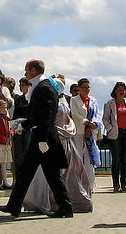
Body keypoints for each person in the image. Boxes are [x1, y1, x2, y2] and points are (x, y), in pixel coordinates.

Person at [0, 60, 73, 218]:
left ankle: (65, 207)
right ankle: (14, 206)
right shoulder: (42, 87)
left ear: (34, 70)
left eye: (27, 70)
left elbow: (46, 116)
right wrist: (24, 126)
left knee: (47, 174)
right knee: (30, 172)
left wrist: (42, 139)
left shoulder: (43, 88)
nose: (25, 73)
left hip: (44, 139)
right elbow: (37, 115)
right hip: (41, 136)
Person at [23, 74, 95, 214]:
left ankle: (61, 204)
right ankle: (61, 204)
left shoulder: (59, 101)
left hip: (57, 142)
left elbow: (54, 121)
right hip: (58, 141)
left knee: (55, 175)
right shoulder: (61, 101)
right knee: (52, 175)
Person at [102, 81, 126, 192]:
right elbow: (105, 119)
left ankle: (124, 184)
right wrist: (110, 129)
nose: (121, 92)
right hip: (115, 134)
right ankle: (116, 185)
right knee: (116, 160)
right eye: (119, 90)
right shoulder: (109, 104)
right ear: (115, 91)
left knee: (125, 160)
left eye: (123, 90)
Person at [69, 78, 103, 174]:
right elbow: (75, 115)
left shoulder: (93, 100)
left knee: (90, 157)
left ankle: (90, 183)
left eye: (88, 87)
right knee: (78, 156)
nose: (86, 89)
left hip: (91, 132)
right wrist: (86, 123)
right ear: (79, 88)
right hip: (79, 131)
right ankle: (78, 181)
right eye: (84, 87)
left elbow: (97, 114)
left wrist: (94, 124)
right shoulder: (74, 100)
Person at [0, 98, 14, 188]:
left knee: (4, 163)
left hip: (6, 144)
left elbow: (12, 129)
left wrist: (10, 134)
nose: (5, 109)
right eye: (3, 107)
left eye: (6, 108)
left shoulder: (8, 119)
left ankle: (5, 182)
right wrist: (4, 138)